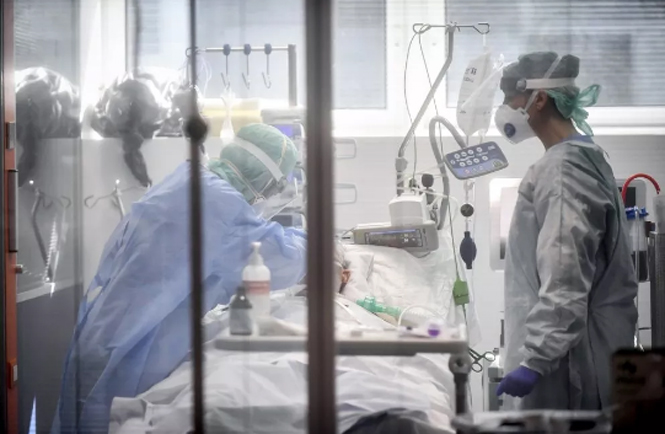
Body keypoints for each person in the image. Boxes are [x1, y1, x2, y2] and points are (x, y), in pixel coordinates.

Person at [52, 124, 307, 433]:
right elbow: (280, 257)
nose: (273, 196)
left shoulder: (188, 180)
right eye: (275, 187)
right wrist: (324, 249)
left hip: (101, 335)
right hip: (133, 355)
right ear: (263, 178)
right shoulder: (221, 208)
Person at [494, 52, 638, 410]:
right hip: (580, 352)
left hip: (568, 367)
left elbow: (565, 274)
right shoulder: (584, 155)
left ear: (539, 99)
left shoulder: (562, 170)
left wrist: (535, 360)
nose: (504, 108)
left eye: (509, 97)